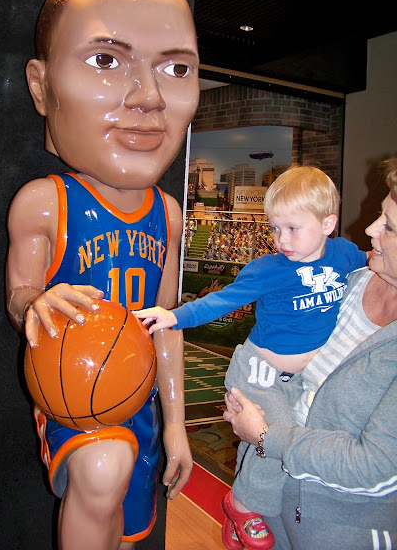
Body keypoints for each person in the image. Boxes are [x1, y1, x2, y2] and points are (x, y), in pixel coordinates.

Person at [5, 0, 200, 550]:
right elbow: (19, 296)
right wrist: (37, 303)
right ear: (41, 86)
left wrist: (176, 424)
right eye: (107, 60)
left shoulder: (167, 214)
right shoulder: (45, 203)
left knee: (129, 527)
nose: (149, 97)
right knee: (102, 470)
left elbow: (166, 324)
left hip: (141, 399)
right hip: (75, 393)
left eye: (176, 69)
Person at [133, 165, 368, 550]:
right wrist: (175, 316)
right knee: (273, 432)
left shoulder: (344, 255)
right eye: (275, 228)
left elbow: (372, 268)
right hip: (261, 370)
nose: (281, 240)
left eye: (292, 228)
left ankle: (256, 507)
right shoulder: (267, 270)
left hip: (305, 379)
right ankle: (242, 505)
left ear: (328, 224)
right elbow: (221, 300)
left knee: (286, 440)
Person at [223, 156, 397, 550]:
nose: (369, 228)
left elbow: (377, 467)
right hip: (276, 504)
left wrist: (265, 436)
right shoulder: (349, 281)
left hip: (342, 529)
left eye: (388, 226)